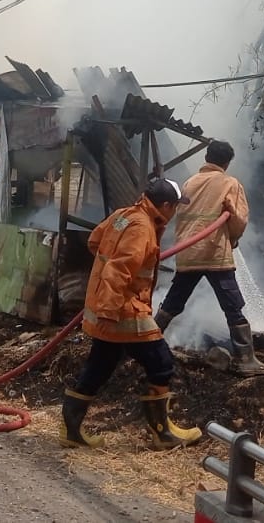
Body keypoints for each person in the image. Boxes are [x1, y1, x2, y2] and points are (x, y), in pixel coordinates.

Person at [61, 178, 202, 451]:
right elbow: (119, 269)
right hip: (123, 312)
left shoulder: (124, 215)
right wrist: (110, 310)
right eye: (175, 207)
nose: (174, 213)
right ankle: (162, 433)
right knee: (161, 363)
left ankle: (71, 429)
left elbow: (95, 241)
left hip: (109, 309)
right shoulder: (141, 227)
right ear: (164, 205)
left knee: (99, 367)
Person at [154, 140, 264, 376]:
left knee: (172, 303)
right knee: (233, 306)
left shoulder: (190, 183)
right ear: (227, 162)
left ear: (207, 158)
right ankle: (245, 360)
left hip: (188, 253)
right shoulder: (229, 183)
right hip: (214, 254)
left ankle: (145, 344)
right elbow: (239, 220)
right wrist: (232, 239)